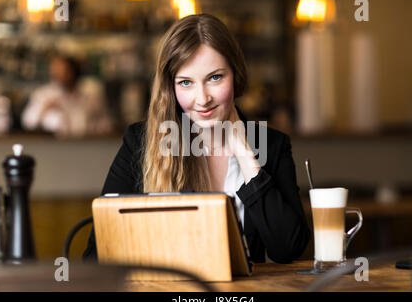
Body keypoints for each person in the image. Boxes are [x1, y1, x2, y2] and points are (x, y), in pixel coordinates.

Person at [83, 14, 310, 264]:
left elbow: (288, 249)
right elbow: (96, 255)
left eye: (215, 78)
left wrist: (245, 152)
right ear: (172, 87)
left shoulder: (270, 144)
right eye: (186, 82)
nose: (202, 99)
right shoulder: (141, 142)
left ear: (236, 74)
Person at [21, 54, 113, 137]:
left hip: (86, 146)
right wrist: (44, 109)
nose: (59, 74)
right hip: (53, 147)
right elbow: (28, 122)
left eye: (64, 71)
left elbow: (106, 124)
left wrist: (94, 129)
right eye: (56, 71)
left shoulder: (90, 95)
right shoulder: (44, 95)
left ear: (74, 72)